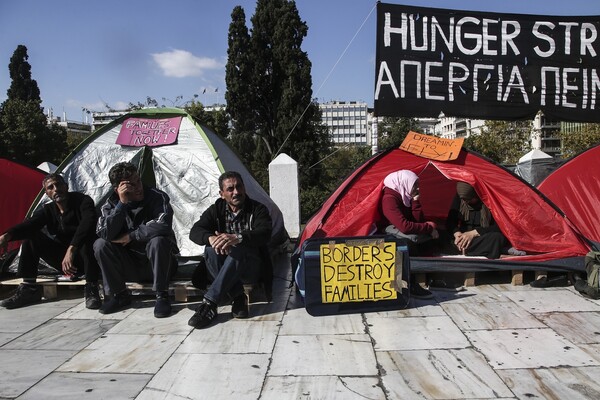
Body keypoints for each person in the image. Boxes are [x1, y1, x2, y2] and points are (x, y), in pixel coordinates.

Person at [0, 173, 101, 309]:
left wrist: (72, 248)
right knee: (32, 236)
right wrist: (7, 235)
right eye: (50, 187)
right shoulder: (48, 210)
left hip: (86, 258)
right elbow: (30, 224)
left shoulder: (83, 201)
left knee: (88, 241)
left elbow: (88, 223)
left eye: (58, 185)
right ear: (47, 193)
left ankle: (92, 289)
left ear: (66, 186)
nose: (55, 189)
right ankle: (29, 289)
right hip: (65, 262)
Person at [188, 171, 273, 329]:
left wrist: (238, 238)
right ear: (222, 194)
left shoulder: (257, 209)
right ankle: (238, 297)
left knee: (239, 248)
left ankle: (209, 303)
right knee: (211, 249)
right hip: (226, 265)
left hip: (251, 267)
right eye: (230, 189)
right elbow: (195, 231)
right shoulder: (216, 210)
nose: (236, 192)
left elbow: (265, 232)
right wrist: (211, 238)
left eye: (239, 187)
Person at [93, 162, 178, 318]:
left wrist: (131, 236)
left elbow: (163, 225)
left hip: (158, 265)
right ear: (117, 189)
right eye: (130, 185)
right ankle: (119, 295)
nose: (138, 187)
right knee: (100, 245)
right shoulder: (110, 204)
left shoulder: (156, 196)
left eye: (138, 181)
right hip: (130, 265)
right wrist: (122, 204)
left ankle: (162, 295)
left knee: (158, 241)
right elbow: (104, 233)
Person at [380, 170, 438, 299]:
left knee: (432, 239)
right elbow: (404, 226)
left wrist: (415, 202)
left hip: (401, 231)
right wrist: (429, 228)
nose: (417, 188)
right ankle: (410, 284)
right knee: (408, 245)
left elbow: (417, 221)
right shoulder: (389, 199)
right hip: (388, 234)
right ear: (404, 183)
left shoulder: (404, 195)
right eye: (414, 185)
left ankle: (434, 277)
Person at [445, 181, 510, 259]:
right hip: (464, 237)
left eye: (469, 199)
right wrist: (457, 233)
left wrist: (474, 233)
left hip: (482, 237)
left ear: (476, 194)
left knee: (497, 238)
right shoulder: (461, 198)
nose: (466, 202)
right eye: (464, 200)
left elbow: (500, 226)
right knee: (439, 235)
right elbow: (450, 221)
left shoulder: (490, 200)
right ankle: (466, 248)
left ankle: (466, 250)